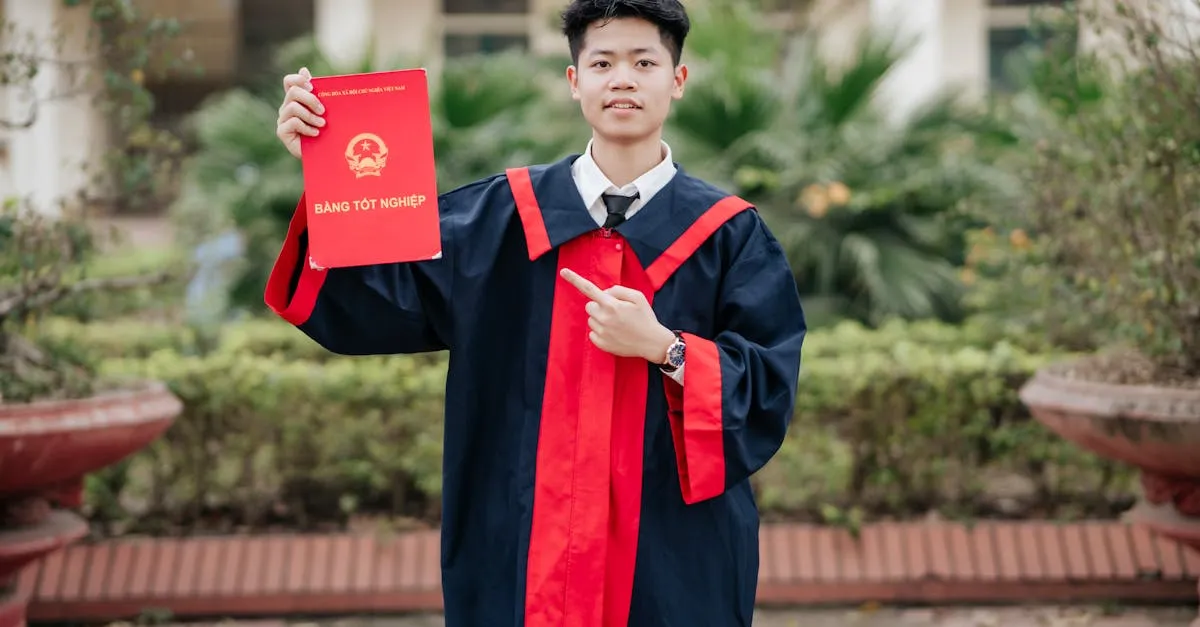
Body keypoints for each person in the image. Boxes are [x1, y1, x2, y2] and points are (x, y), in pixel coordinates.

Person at [269, 0, 805, 624]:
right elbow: (371, 296)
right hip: (521, 547)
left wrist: (666, 348)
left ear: (676, 81)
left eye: (644, 61)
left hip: (668, 558)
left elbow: (769, 387)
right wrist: (326, 166)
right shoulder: (495, 220)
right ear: (575, 81)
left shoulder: (729, 236)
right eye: (602, 62)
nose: (623, 78)